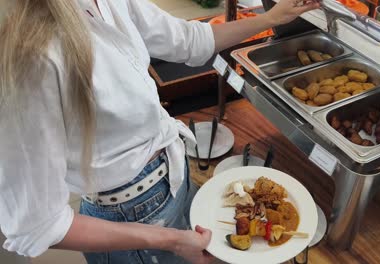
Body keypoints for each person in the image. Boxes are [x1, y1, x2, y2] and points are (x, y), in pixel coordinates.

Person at [0, 0, 321, 263]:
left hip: (174, 176)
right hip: (127, 219)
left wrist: (272, 18)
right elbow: (36, 225)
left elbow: (190, 42)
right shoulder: (31, 55)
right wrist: (171, 240)